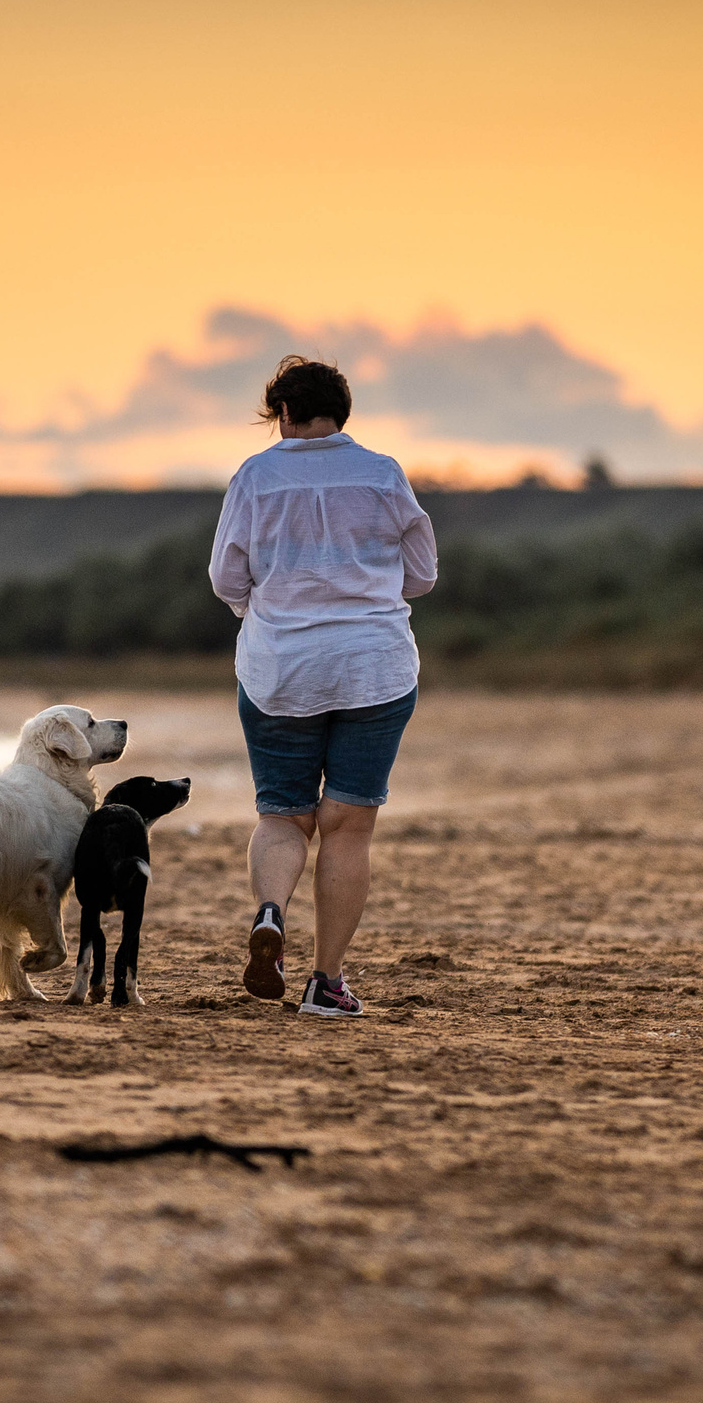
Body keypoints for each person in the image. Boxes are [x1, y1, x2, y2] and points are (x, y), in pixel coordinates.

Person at [208, 357, 437, 1019]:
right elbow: (421, 572)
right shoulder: (383, 472)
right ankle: (325, 983)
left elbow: (227, 579)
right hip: (375, 667)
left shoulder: (255, 476)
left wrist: (270, 612)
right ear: (342, 412)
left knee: (282, 814)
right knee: (347, 827)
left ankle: (271, 911)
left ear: (283, 412)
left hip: (281, 667)